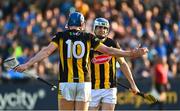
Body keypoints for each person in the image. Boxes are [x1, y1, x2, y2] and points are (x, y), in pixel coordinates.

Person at [14, 12, 148, 111]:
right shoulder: (89, 37)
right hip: (85, 84)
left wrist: (27, 64)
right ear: (82, 25)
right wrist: (132, 53)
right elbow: (109, 51)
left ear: (68, 24)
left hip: (66, 82)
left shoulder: (61, 36)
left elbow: (46, 52)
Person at [88, 18, 140, 111]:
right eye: (99, 27)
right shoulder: (88, 43)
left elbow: (123, 63)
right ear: (94, 28)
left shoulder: (112, 43)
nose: (102, 29)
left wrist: (133, 84)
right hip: (92, 88)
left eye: (104, 28)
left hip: (109, 88)